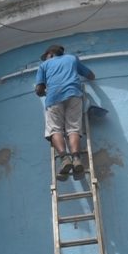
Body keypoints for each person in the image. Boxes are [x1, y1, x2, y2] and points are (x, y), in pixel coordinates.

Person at [35, 44, 95, 181]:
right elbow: (91, 75)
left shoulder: (44, 65)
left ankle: (64, 158)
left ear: (50, 54)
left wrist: (44, 91)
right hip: (74, 95)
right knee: (73, 128)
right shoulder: (72, 59)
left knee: (55, 129)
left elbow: (39, 90)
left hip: (54, 98)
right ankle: (76, 158)